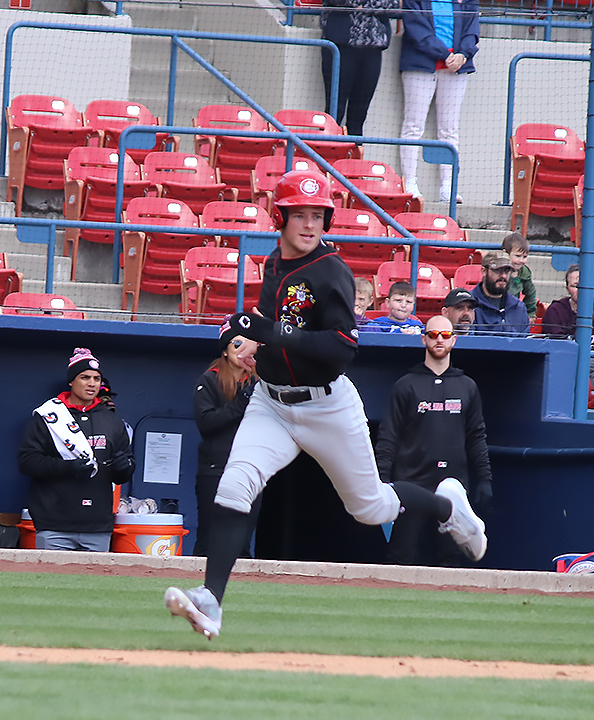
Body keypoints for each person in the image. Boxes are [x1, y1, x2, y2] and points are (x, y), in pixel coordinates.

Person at [164, 170, 487, 639]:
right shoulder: (273, 263)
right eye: (301, 213)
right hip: (270, 404)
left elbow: (342, 348)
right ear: (282, 216)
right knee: (234, 486)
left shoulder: (331, 271)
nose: (311, 223)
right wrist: (259, 333)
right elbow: (278, 324)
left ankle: (447, 508)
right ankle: (211, 600)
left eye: (318, 215)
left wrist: (270, 332)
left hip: (326, 406)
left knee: (371, 507)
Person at [376, 315, 493, 566]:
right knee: (401, 554)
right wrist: (382, 480)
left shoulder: (468, 386)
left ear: (454, 340)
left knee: (450, 559)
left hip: (453, 488)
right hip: (411, 484)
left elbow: (476, 437)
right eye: (433, 334)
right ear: (423, 339)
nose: (439, 339)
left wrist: (484, 478)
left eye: (446, 335)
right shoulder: (405, 385)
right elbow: (388, 436)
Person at [17, 348, 135, 552]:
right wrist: (67, 467)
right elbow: (27, 461)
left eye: (97, 379)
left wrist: (124, 468)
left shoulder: (112, 420)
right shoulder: (48, 416)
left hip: (97, 525)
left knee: (95, 582)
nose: (92, 383)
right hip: (54, 523)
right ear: (71, 381)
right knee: (51, 582)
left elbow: (125, 467)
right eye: (85, 377)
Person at [398, 0, 480, 204]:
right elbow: (417, 29)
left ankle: (448, 187)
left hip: (456, 68)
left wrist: (463, 54)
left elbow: (472, 27)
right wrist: (445, 55)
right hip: (421, 65)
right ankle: (410, 184)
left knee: (449, 129)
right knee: (413, 126)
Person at [193, 319, 259, 557]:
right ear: (225, 350)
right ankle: (198, 592)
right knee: (209, 541)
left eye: (247, 343)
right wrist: (242, 400)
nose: (243, 350)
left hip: (250, 471)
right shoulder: (209, 380)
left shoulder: (260, 382)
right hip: (216, 470)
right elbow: (207, 423)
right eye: (236, 343)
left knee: (241, 544)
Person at [320, 0, 401, 137]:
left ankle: (354, 156)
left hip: (373, 47)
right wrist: (372, 6)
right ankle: (326, 155)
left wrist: (362, 6)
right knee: (334, 112)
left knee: (359, 115)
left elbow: (393, 4)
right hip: (341, 45)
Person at [542, 264, 594, 350]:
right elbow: (555, 347)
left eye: (585, 285)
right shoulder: (555, 311)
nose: (580, 290)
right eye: (575, 286)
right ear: (567, 289)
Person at [470, 251, 530, 337]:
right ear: (484, 271)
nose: (503, 276)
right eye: (497, 270)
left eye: (507, 271)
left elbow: (525, 344)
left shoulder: (519, 308)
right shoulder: (469, 304)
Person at [502, 232, 537, 319]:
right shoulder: (499, 271)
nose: (521, 260)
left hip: (514, 311)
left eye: (524, 257)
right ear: (506, 254)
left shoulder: (524, 272)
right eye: (517, 256)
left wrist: (530, 313)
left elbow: (530, 293)